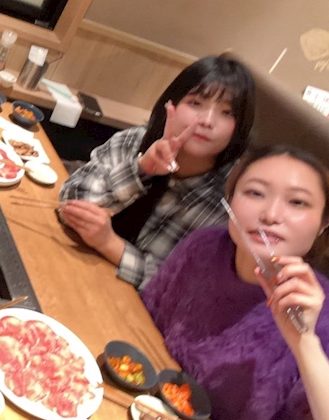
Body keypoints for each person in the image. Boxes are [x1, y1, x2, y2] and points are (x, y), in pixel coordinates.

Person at [143, 146, 329, 420]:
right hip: (152, 418)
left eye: (297, 202)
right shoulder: (205, 247)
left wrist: (305, 344)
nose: (271, 214)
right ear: (230, 201)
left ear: (322, 224)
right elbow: (146, 317)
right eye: (255, 193)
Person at [58, 56, 255, 289]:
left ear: (239, 129)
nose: (208, 121)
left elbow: (179, 291)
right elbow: (68, 202)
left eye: (227, 112)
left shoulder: (229, 204)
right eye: (196, 103)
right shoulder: (135, 141)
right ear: (171, 105)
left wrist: (110, 244)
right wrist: (141, 168)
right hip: (70, 268)